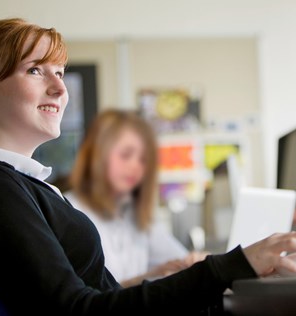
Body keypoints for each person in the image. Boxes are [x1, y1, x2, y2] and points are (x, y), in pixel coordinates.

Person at [0, 18, 296, 315]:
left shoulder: (14, 184)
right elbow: (80, 312)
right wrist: (231, 265)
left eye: (61, 73)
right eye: (35, 70)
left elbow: (98, 298)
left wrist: (225, 271)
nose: (60, 88)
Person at [65, 109, 207, 288]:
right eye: (126, 155)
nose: (135, 166)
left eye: (143, 160)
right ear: (97, 155)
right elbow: (86, 299)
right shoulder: (69, 211)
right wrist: (152, 275)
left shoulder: (134, 213)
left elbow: (179, 260)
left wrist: (198, 262)